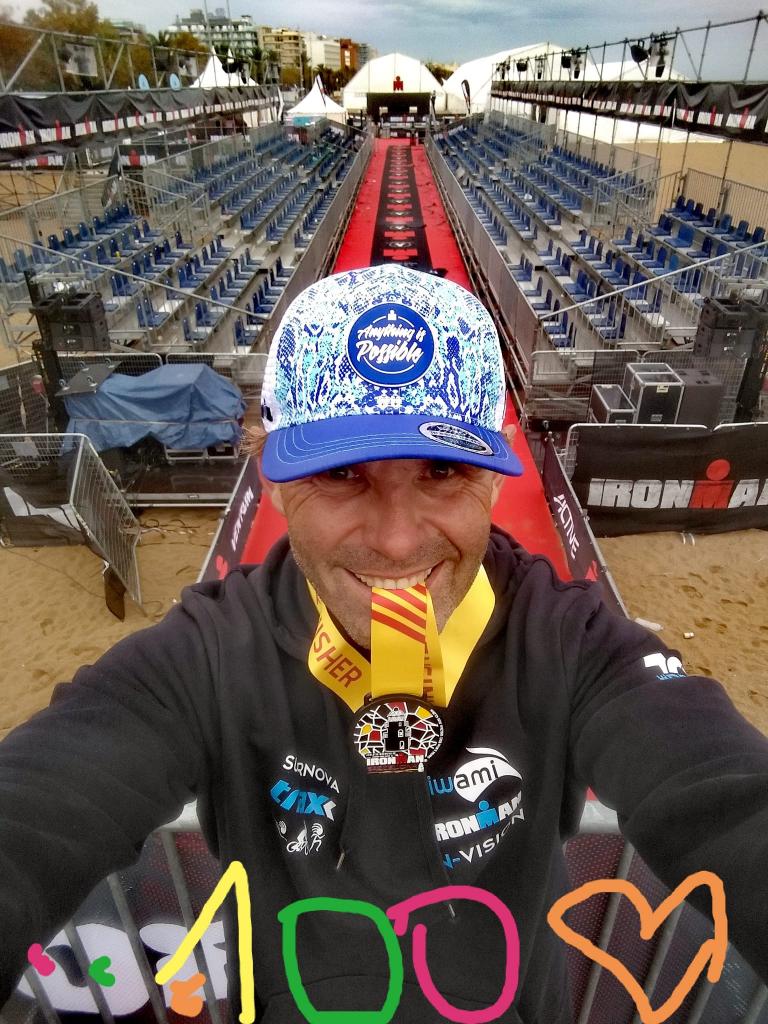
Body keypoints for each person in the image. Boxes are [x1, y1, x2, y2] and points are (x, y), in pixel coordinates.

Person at [0, 264, 767, 1023]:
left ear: (497, 479)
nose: (397, 540)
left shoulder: (572, 641)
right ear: (272, 478)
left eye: (443, 470)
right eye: (341, 475)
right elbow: (40, 804)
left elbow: (723, 792)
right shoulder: (207, 655)